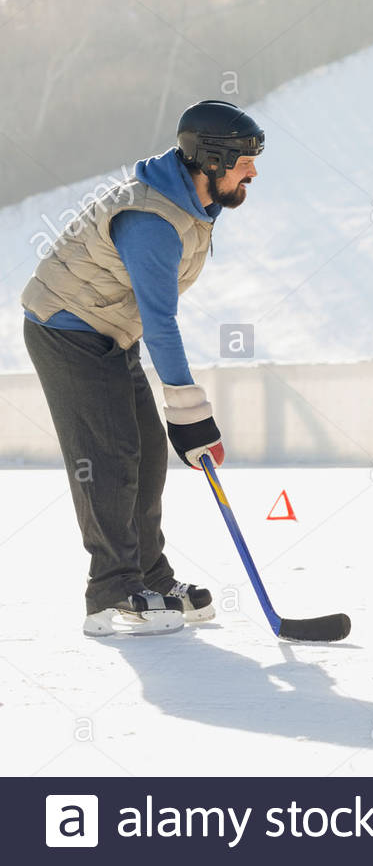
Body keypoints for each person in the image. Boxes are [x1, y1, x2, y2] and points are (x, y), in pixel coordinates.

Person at [22, 99, 264, 637]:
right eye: (245, 160)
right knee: (108, 454)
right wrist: (190, 411)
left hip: (109, 329)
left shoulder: (191, 204)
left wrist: (180, 420)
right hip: (67, 330)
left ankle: (150, 575)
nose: (253, 171)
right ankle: (110, 592)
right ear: (212, 160)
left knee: (149, 451)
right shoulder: (153, 219)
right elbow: (161, 322)